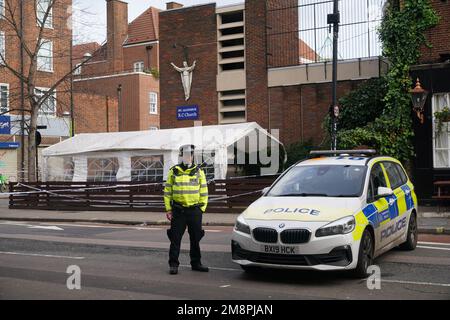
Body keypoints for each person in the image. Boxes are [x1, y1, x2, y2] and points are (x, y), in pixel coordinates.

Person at [164, 144, 209, 275]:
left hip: (195, 211)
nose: (188, 157)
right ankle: (173, 264)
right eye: (186, 154)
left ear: (193, 156)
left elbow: (204, 191)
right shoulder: (174, 171)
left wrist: (201, 209)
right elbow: (167, 192)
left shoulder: (199, 171)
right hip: (178, 211)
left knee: (195, 239)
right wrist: (168, 209)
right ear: (181, 156)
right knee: (175, 239)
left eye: (190, 154)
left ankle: (196, 263)